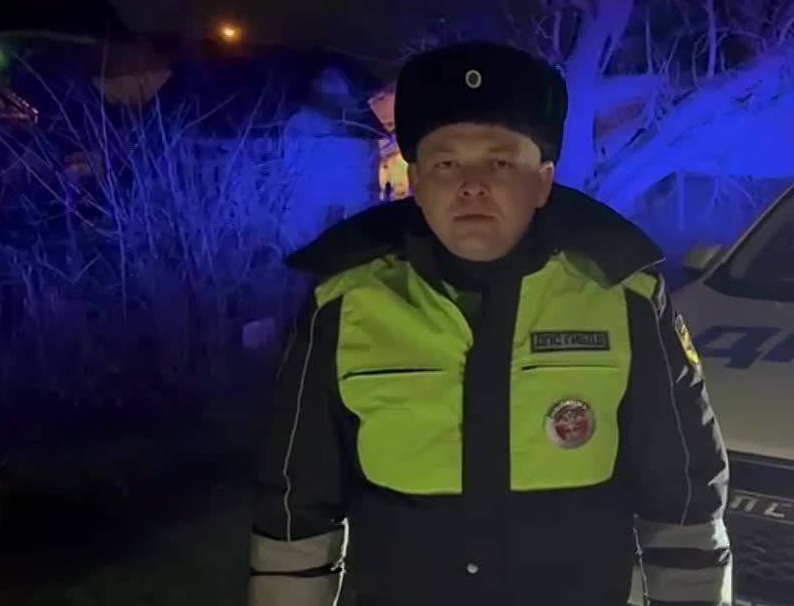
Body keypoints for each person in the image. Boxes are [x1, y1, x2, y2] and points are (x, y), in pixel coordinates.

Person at [246, 41, 732, 606]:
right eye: (446, 163)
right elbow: (296, 507)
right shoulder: (345, 303)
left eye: (500, 162)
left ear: (543, 182)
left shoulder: (623, 297)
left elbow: (684, 497)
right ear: (416, 181)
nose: (471, 184)